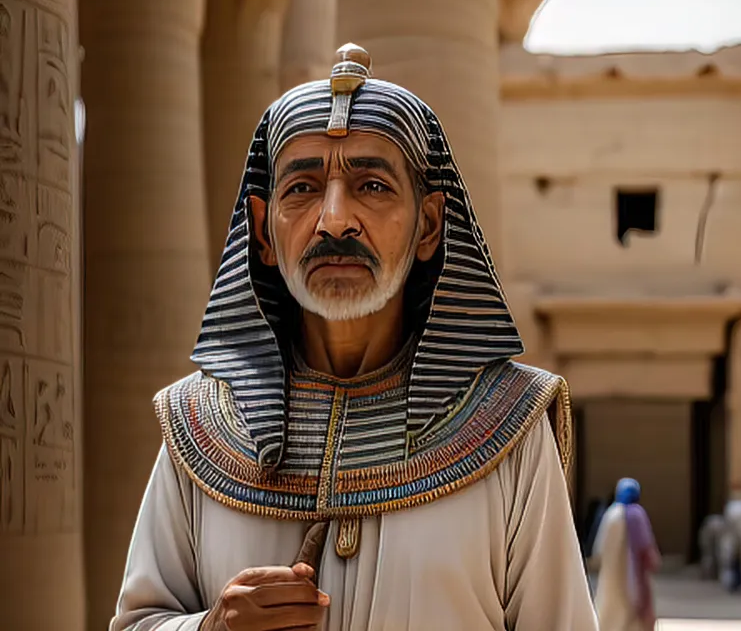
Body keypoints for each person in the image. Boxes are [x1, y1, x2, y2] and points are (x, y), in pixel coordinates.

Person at [110, 44, 597, 630]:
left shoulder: (509, 426)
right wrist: (209, 628)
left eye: (371, 186)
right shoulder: (199, 424)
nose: (334, 219)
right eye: (302, 188)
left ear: (429, 225)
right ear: (263, 231)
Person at [592, 478, 661, 631]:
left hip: (611, 574)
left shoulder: (611, 514)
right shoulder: (637, 515)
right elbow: (645, 546)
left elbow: (599, 548)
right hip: (634, 574)